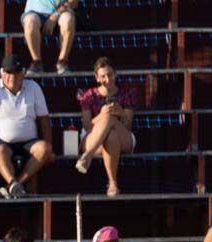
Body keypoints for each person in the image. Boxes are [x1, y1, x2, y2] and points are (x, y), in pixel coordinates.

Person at [0, 54, 54, 200]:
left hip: (29, 141)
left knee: (45, 149)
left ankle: (15, 185)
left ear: (23, 73)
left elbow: (44, 119)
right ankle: (13, 183)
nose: (13, 77)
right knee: (1, 150)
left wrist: (50, 145)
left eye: (16, 73)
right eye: (9, 73)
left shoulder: (34, 88)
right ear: (2, 73)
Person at [75, 57, 137, 196]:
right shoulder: (89, 95)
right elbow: (87, 125)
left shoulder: (126, 94)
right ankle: (113, 183)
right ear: (97, 78)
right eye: (103, 76)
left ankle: (87, 157)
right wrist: (101, 116)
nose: (107, 79)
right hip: (92, 136)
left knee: (112, 128)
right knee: (111, 135)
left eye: (110, 74)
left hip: (123, 137)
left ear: (115, 73)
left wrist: (120, 113)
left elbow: (128, 126)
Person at [22, 0, 79, 75]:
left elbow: (74, 2)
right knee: (30, 20)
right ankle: (36, 62)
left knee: (68, 19)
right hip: (33, 13)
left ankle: (62, 62)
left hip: (60, 12)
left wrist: (56, 14)